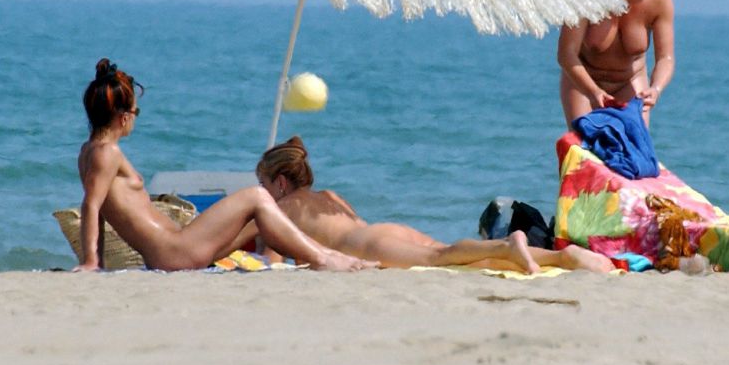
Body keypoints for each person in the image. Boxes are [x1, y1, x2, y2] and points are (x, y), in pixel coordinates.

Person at [76, 59, 372, 272]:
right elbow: (91, 206)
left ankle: (324, 254)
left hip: (174, 249)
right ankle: (323, 258)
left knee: (257, 213)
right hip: (175, 252)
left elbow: (98, 208)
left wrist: (97, 261)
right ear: (124, 116)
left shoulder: (88, 153)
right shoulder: (107, 153)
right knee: (257, 197)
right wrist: (91, 262)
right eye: (136, 111)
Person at [255, 137, 615, 273]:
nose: (262, 193)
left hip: (369, 246)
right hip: (383, 231)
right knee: (454, 259)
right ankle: (563, 258)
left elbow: (271, 263)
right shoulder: (328, 198)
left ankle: (508, 244)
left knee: (441, 258)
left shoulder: (280, 210)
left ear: (281, 182)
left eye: (264, 185)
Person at [558, 0, 675, 128]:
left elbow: (665, 58)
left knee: (633, 146)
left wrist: (656, 88)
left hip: (630, 81)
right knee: (585, 145)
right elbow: (567, 54)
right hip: (584, 82)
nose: (632, 3)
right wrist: (592, 91)